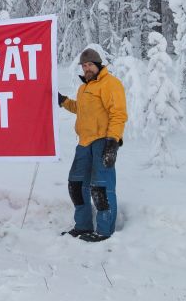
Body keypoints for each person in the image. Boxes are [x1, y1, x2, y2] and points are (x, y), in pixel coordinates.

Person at [58, 46, 127, 243]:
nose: (86, 68)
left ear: (98, 65)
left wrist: (113, 142)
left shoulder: (110, 83)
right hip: (84, 143)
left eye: (89, 65)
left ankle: (104, 230)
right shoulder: (84, 88)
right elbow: (80, 109)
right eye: (84, 65)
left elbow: (118, 113)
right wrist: (63, 101)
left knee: (100, 188)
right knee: (76, 185)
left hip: (103, 141)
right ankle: (83, 225)